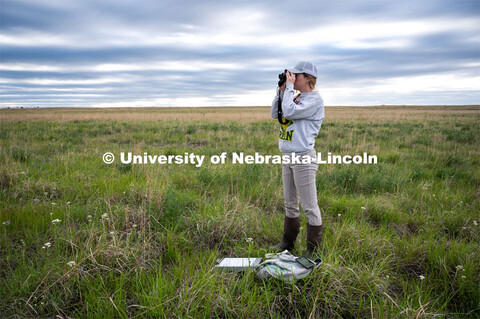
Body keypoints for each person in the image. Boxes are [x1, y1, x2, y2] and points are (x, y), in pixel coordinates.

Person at [270, 61, 325, 258]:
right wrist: (282, 90)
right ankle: (288, 242)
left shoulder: (314, 100)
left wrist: (289, 90)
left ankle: (313, 251)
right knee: (290, 203)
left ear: (308, 78)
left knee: (310, 206)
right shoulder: (296, 97)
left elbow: (290, 112)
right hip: (288, 156)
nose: (292, 77)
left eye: (296, 75)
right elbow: (274, 113)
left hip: (303, 157)